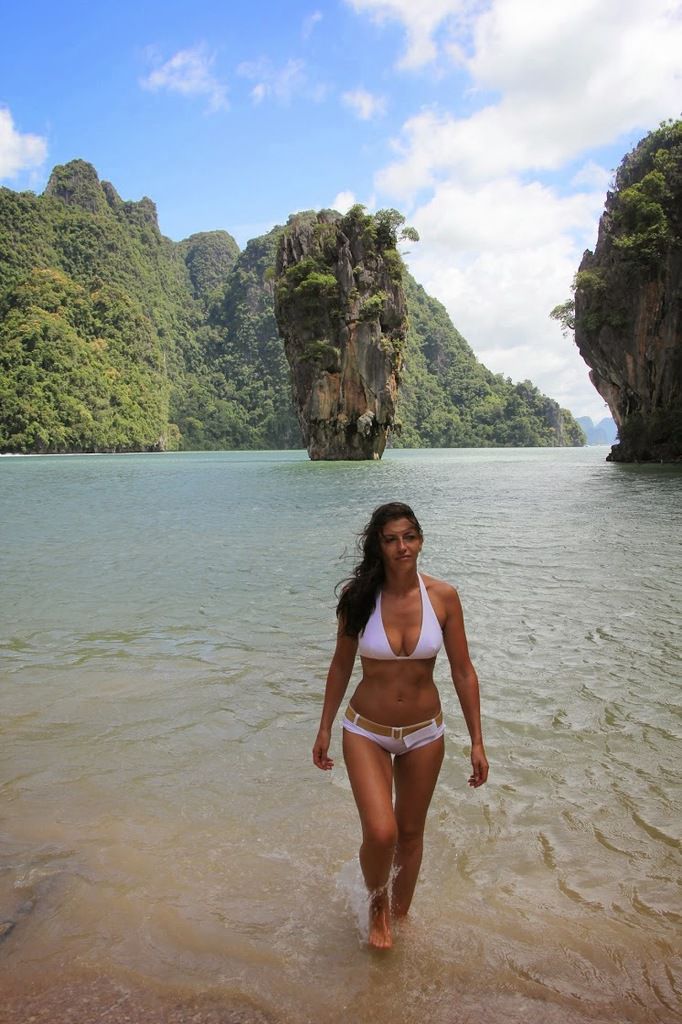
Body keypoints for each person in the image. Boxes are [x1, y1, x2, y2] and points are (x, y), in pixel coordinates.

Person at [313, 501, 488, 949]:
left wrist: (477, 741)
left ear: (421, 540)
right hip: (366, 730)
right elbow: (340, 665)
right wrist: (325, 727)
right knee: (381, 832)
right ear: (379, 545)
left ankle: (399, 919)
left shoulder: (443, 597)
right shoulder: (358, 597)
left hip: (425, 732)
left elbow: (463, 671)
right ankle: (377, 908)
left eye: (409, 537)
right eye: (391, 539)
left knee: (410, 834)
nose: (401, 547)